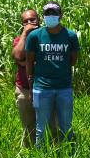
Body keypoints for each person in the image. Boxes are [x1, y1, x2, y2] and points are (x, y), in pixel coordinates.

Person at [25, 2, 79, 148]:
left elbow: (73, 61)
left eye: (54, 13)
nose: (50, 16)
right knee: (40, 128)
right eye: (47, 14)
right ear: (43, 16)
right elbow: (29, 61)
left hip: (64, 87)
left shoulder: (70, 36)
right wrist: (31, 85)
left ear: (60, 16)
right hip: (41, 87)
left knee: (66, 126)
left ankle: (68, 154)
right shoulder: (35, 36)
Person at [13, 9, 58, 146]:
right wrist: (25, 33)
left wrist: (27, 62)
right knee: (29, 125)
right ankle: (31, 154)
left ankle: (57, 151)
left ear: (39, 20)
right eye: (25, 21)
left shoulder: (48, 37)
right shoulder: (19, 40)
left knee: (54, 124)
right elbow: (17, 56)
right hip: (25, 89)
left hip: (47, 88)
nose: (29, 23)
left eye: (32, 19)